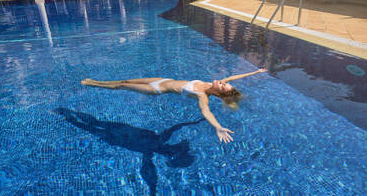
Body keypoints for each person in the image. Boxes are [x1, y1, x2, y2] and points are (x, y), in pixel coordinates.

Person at [81, 68, 267, 143]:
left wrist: (218, 127)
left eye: (223, 85)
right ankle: (98, 81)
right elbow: (233, 78)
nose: (222, 80)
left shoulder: (203, 96)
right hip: (163, 80)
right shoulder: (213, 85)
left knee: (122, 86)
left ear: (219, 93)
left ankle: (94, 84)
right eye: (224, 82)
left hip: (156, 90)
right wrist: (255, 72)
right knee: (126, 79)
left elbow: (206, 112)